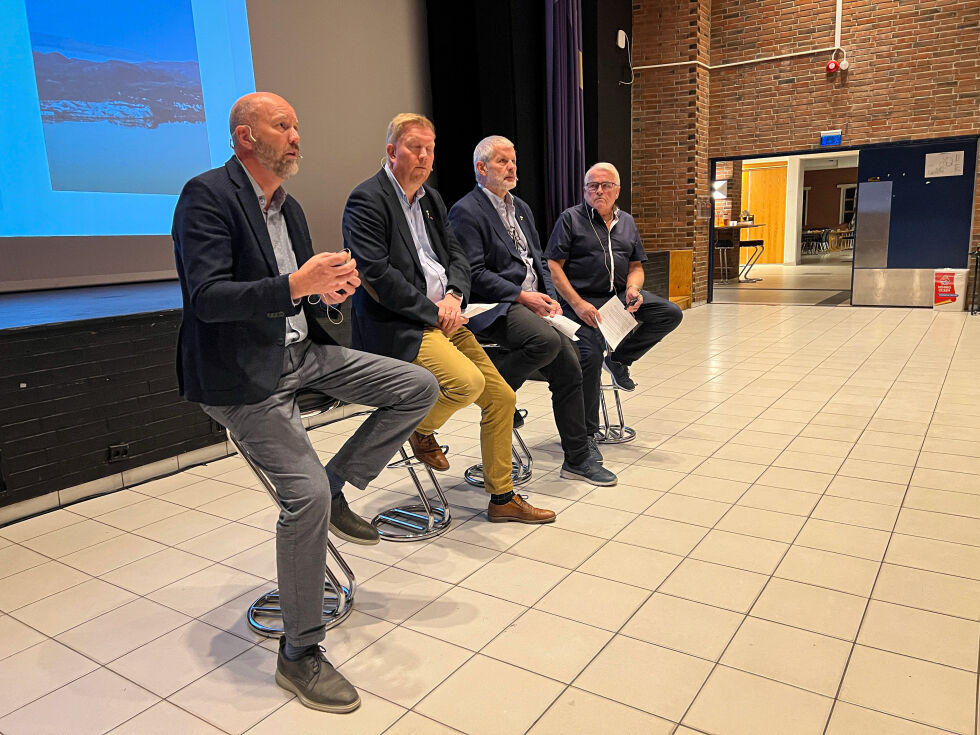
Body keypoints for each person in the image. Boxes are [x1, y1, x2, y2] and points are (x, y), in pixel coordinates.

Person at [172, 92, 439, 714]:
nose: (296, 136)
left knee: (416, 386)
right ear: (246, 137)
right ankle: (299, 653)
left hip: (300, 355)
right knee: (304, 498)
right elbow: (208, 297)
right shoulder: (206, 196)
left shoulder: (287, 210)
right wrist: (298, 284)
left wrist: (329, 295)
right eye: (283, 125)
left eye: (297, 124)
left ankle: (340, 485)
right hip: (243, 376)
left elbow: (306, 300)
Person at [343, 114, 555, 524]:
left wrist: (455, 296)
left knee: (502, 398)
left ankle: (502, 498)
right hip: (400, 323)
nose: (424, 157)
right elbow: (378, 277)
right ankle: (419, 428)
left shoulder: (432, 200)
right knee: (466, 382)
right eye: (414, 148)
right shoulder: (367, 199)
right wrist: (433, 310)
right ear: (391, 152)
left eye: (430, 149)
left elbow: (456, 257)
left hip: (448, 316)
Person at [448, 136, 616, 485]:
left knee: (572, 362)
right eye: (501, 162)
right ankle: (496, 391)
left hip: (532, 301)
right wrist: (523, 297)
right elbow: (474, 273)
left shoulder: (521, 208)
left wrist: (550, 297)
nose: (511, 167)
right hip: (494, 305)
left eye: (513, 161)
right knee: (546, 342)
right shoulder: (466, 211)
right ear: (481, 169)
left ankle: (577, 457)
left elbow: (540, 261)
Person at [545, 162, 683, 437]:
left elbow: (636, 266)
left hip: (618, 297)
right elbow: (553, 266)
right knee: (591, 355)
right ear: (585, 191)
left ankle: (620, 359)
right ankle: (587, 434)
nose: (599, 191)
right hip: (582, 300)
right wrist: (577, 303)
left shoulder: (627, 222)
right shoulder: (570, 219)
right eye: (592, 186)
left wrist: (633, 288)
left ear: (617, 190)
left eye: (605, 185)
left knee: (670, 313)